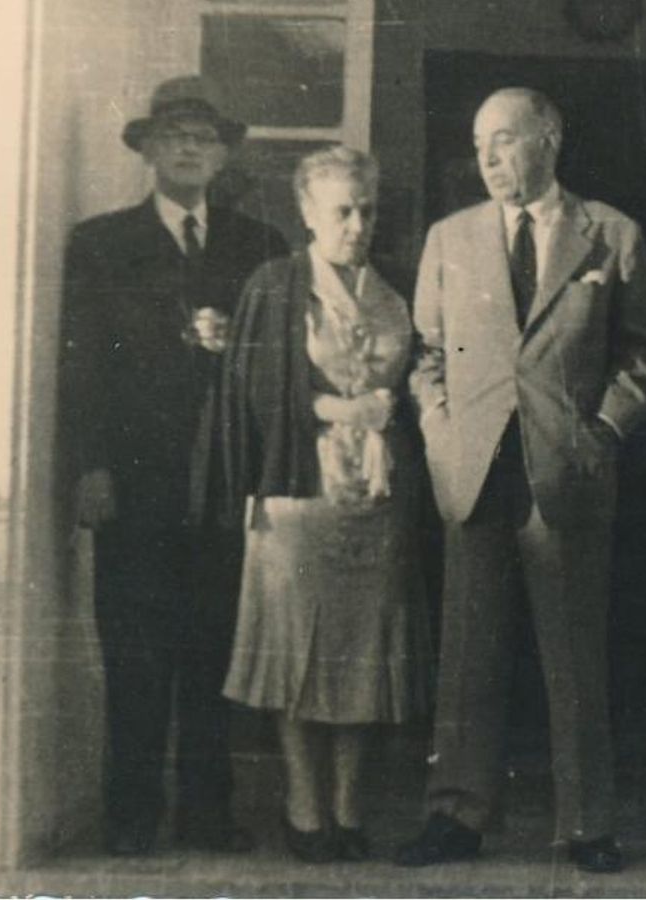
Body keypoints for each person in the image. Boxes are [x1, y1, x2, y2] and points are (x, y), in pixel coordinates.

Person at [394, 87, 646, 875]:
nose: (488, 157)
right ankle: (456, 816)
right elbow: (426, 356)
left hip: (565, 472)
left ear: (551, 137)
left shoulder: (610, 234)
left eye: (506, 139)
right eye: (480, 142)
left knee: (575, 655)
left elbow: (642, 352)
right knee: (467, 652)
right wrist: (441, 435)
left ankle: (587, 824)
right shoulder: (450, 239)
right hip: (473, 469)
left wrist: (604, 431)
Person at [58, 75, 287, 856]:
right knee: (135, 648)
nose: (189, 146)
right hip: (132, 481)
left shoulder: (260, 245)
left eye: (204, 135)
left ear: (222, 154)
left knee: (214, 650)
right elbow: (80, 364)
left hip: (228, 486)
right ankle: (130, 818)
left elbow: (282, 368)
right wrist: (89, 468)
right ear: (149, 150)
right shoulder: (101, 242)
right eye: (174, 134)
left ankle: (207, 813)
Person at [218, 146, 426, 863]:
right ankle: (303, 806)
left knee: (359, 653)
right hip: (298, 491)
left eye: (366, 209)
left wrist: (383, 410)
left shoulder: (394, 290)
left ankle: (347, 805)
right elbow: (251, 388)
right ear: (307, 213)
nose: (356, 224)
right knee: (297, 655)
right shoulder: (276, 285)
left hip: (375, 494)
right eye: (341, 210)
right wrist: (333, 405)